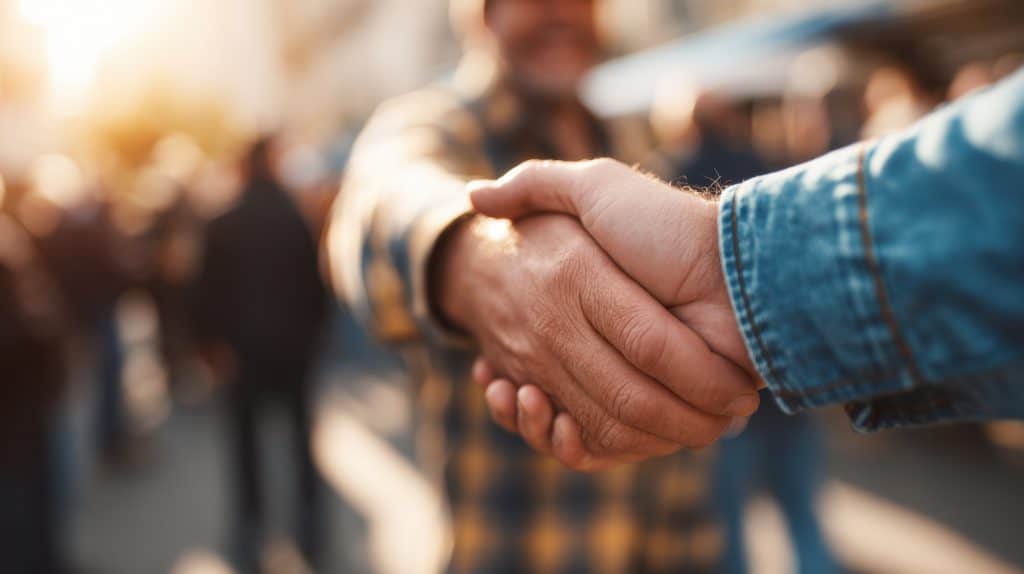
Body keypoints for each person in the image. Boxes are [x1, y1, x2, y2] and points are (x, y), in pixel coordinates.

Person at [327, 0, 750, 571]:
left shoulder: (627, 140)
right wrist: (474, 259)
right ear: (483, 15)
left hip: (670, 541)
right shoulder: (439, 122)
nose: (563, 14)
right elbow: (379, 203)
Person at [467, 69, 1024, 468]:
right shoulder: (462, 121)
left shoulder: (649, 151)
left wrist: (720, 272)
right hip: (764, 375)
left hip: (734, 381)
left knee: (752, 513)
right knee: (793, 511)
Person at [193, 138, 329, 570]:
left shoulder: (223, 222)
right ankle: (309, 529)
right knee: (300, 442)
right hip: (292, 351)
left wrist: (210, 347)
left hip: (241, 354)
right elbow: (316, 287)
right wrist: (313, 341)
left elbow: (204, 294)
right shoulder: (294, 218)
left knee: (245, 447)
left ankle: (251, 529)